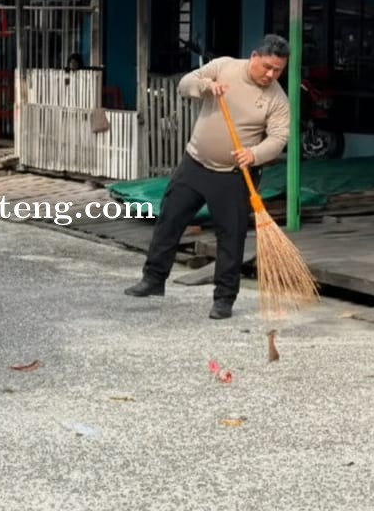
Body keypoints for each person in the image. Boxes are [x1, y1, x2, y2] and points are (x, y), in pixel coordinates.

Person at [123, 35, 291, 319]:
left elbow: (278, 137)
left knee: (231, 236)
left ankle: (224, 299)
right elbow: (185, 84)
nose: (271, 75)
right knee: (170, 218)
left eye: (278, 70)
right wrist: (206, 86)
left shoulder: (277, 99)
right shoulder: (225, 67)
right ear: (254, 56)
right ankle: (153, 279)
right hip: (195, 162)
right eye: (267, 67)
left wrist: (255, 154)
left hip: (233, 174)